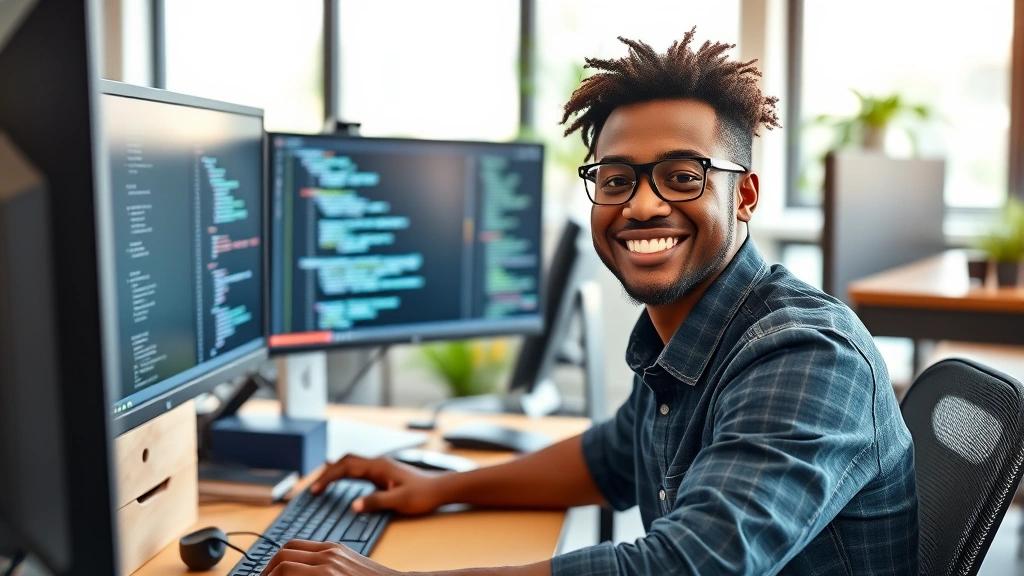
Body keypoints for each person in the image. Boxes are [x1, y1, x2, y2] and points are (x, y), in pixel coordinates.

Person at [261, 28, 918, 576]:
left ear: (744, 196)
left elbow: (689, 564)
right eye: (616, 178)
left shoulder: (802, 352)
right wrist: (439, 486)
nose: (642, 204)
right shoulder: (687, 330)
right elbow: (609, 458)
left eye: (683, 177)